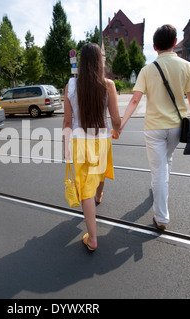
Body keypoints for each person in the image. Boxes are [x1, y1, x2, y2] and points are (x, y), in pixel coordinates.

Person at [118, 25, 190, 230]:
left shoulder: (147, 70)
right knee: (167, 161)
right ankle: (160, 191)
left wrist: (121, 124)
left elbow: (134, 100)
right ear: (174, 43)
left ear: (155, 47)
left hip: (154, 128)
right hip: (176, 127)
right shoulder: (186, 66)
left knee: (158, 172)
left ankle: (162, 218)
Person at [63, 43, 121, 251]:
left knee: (84, 188)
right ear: (99, 61)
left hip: (80, 140)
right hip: (102, 138)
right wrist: (117, 129)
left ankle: (93, 239)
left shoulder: (70, 86)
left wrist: (66, 147)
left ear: (82, 62)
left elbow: (67, 122)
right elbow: (115, 118)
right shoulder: (108, 85)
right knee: (99, 172)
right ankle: (99, 196)